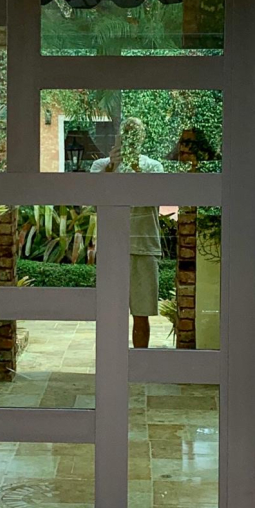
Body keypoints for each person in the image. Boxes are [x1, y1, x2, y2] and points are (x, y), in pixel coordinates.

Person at [90, 117, 163, 348]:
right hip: (112, 249)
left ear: (142, 138)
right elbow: (94, 200)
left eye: (135, 134)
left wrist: (136, 169)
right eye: (126, 133)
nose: (131, 139)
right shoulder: (101, 166)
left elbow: (154, 199)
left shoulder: (154, 167)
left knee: (142, 314)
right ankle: (111, 365)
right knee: (110, 314)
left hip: (144, 246)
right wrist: (112, 168)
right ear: (119, 137)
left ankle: (139, 362)